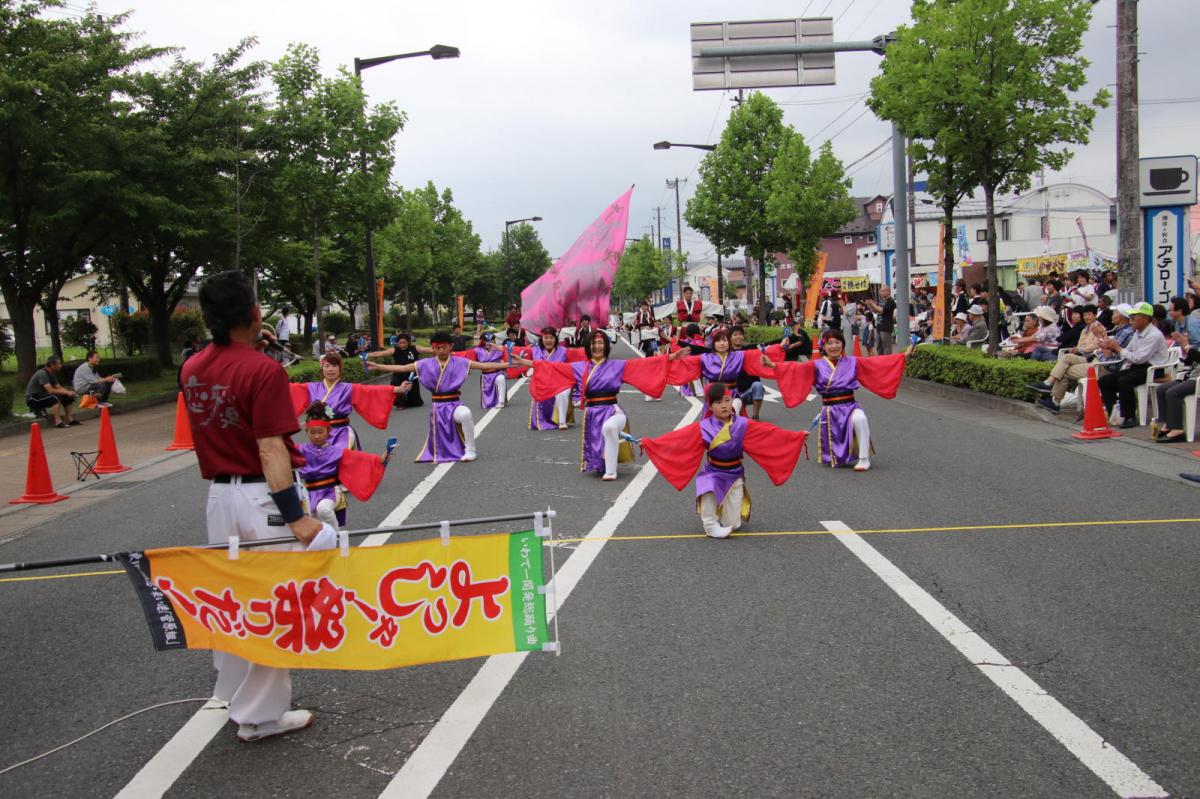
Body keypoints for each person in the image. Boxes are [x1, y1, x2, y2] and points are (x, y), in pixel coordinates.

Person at [180, 269, 323, 743]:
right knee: (276, 602)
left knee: (237, 600)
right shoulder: (264, 370)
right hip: (262, 494)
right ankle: (260, 715)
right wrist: (295, 515)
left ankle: (237, 696)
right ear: (255, 313)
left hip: (218, 497)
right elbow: (270, 448)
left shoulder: (192, 368)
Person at [639, 382, 807, 538]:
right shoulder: (703, 427)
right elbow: (677, 439)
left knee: (733, 524)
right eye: (718, 402)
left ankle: (725, 516)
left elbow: (770, 433)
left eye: (727, 400)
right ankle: (710, 525)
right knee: (707, 487)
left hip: (735, 473)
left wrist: (796, 436)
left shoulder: (742, 424)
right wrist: (650, 443)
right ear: (710, 407)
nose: (724, 405)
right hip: (713, 471)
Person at [529, 329, 685, 480]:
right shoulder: (579, 367)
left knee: (609, 428)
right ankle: (603, 465)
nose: (597, 346)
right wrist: (525, 362)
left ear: (606, 346)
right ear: (588, 346)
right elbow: (553, 368)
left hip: (613, 411)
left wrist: (669, 357)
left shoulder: (617, 365)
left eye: (600, 343)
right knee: (602, 438)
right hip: (591, 413)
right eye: (593, 343)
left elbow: (643, 365)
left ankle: (611, 472)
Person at [770, 329, 907, 471]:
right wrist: (773, 365)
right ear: (823, 346)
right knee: (836, 445)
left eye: (837, 342)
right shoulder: (816, 365)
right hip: (830, 409)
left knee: (860, 419)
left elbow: (877, 363)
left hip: (850, 406)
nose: (834, 346)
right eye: (829, 343)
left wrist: (903, 356)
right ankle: (838, 455)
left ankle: (864, 459)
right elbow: (796, 369)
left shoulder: (853, 362)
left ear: (842, 344)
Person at [366, 330, 510, 463]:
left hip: (454, 404)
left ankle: (471, 450)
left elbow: (482, 366)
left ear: (450, 346)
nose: (440, 350)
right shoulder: (425, 364)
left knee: (466, 413)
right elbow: (402, 368)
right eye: (437, 348)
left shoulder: (460, 362)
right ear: (433, 349)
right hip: (437, 408)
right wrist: (378, 366)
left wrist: (510, 364)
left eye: (443, 347)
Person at [297, 402, 388, 528]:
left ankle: (336, 536)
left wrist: (379, 459)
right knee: (311, 526)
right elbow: (282, 450)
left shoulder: (336, 451)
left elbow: (358, 459)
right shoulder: (300, 449)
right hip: (309, 493)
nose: (316, 436)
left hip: (330, 491)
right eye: (312, 432)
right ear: (306, 431)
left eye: (320, 432)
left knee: (323, 509)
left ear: (328, 431)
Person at [287, 351, 399, 450]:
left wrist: (397, 389)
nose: (330, 369)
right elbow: (289, 389)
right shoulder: (311, 387)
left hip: (342, 433)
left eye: (334, 366)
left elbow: (371, 391)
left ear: (340, 369)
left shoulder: (348, 388)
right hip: (318, 434)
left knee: (342, 461)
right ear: (322, 368)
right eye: (327, 366)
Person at [667, 328, 777, 417]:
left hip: (733, 395)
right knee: (711, 430)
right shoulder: (705, 358)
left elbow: (762, 351)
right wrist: (670, 358)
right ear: (713, 343)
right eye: (718, 341)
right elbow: (685, 363)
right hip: (713, 395)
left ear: (728, 342)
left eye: (724, 340)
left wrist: (781, 346)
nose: (722, 343)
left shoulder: (740, 355)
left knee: (734, 417)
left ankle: (747, 419)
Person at [1096, 302, 1169, 428]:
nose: (1131, 319)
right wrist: (1111, 347)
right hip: (1139, 367)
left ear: (1145, 319)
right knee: (1104, 381)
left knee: (1125, 380)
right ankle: (1115, 414)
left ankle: (1129, 417)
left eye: (1134, 316)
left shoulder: (1154, 335)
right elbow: (1129, 351)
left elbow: (1138, 358)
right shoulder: (1137, 332)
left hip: (1153, 369)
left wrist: (1117, 348)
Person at [510, 327, 583, 430]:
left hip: (560, 383)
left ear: (555, 339)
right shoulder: (534, 351)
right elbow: (518, 351)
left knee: (563, 392)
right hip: (541, 384)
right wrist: (500, 349)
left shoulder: (564, 351)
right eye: (546, 337)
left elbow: (579, 355)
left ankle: (562, 421)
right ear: (542, 339)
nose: (548, 340)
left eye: (551, 337)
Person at [365, 334, 423, 409]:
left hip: (411, 372)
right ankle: (400, 404)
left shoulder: (415, 348)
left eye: (404, 342)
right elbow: (379, 353)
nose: (402, 344)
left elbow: (430, 350)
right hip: (398, 371)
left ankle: (412, 402)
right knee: (396, 385)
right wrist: (366, 355)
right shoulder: (394, 350)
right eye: (400, 343)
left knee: (411, 390)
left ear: (408, 342)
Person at [25, 356, 79, 427]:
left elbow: (58, 387)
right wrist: (66, 392)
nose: (60, 366)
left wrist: (69, 393)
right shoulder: (42, 373)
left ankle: (69, 418)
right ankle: (58, 421)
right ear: (52, 365)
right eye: (59, 364)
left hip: (42, 396)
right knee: (55, 398)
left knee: (67, 396)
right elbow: (50, 390)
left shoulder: (51, 373)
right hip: (33, 398)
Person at [863, 287, 896, 354]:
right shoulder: (881, 300)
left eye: (882, 291)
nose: (880, 293)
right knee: (879, 346)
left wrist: (872, 304)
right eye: (880, 291)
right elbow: (876, 310)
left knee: (886, 347)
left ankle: (887, 362)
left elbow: (882, 310)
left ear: (888, 292)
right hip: (879, 326)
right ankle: (880, 361)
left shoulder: (890, 301)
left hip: (886, 327)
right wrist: (870, 305)